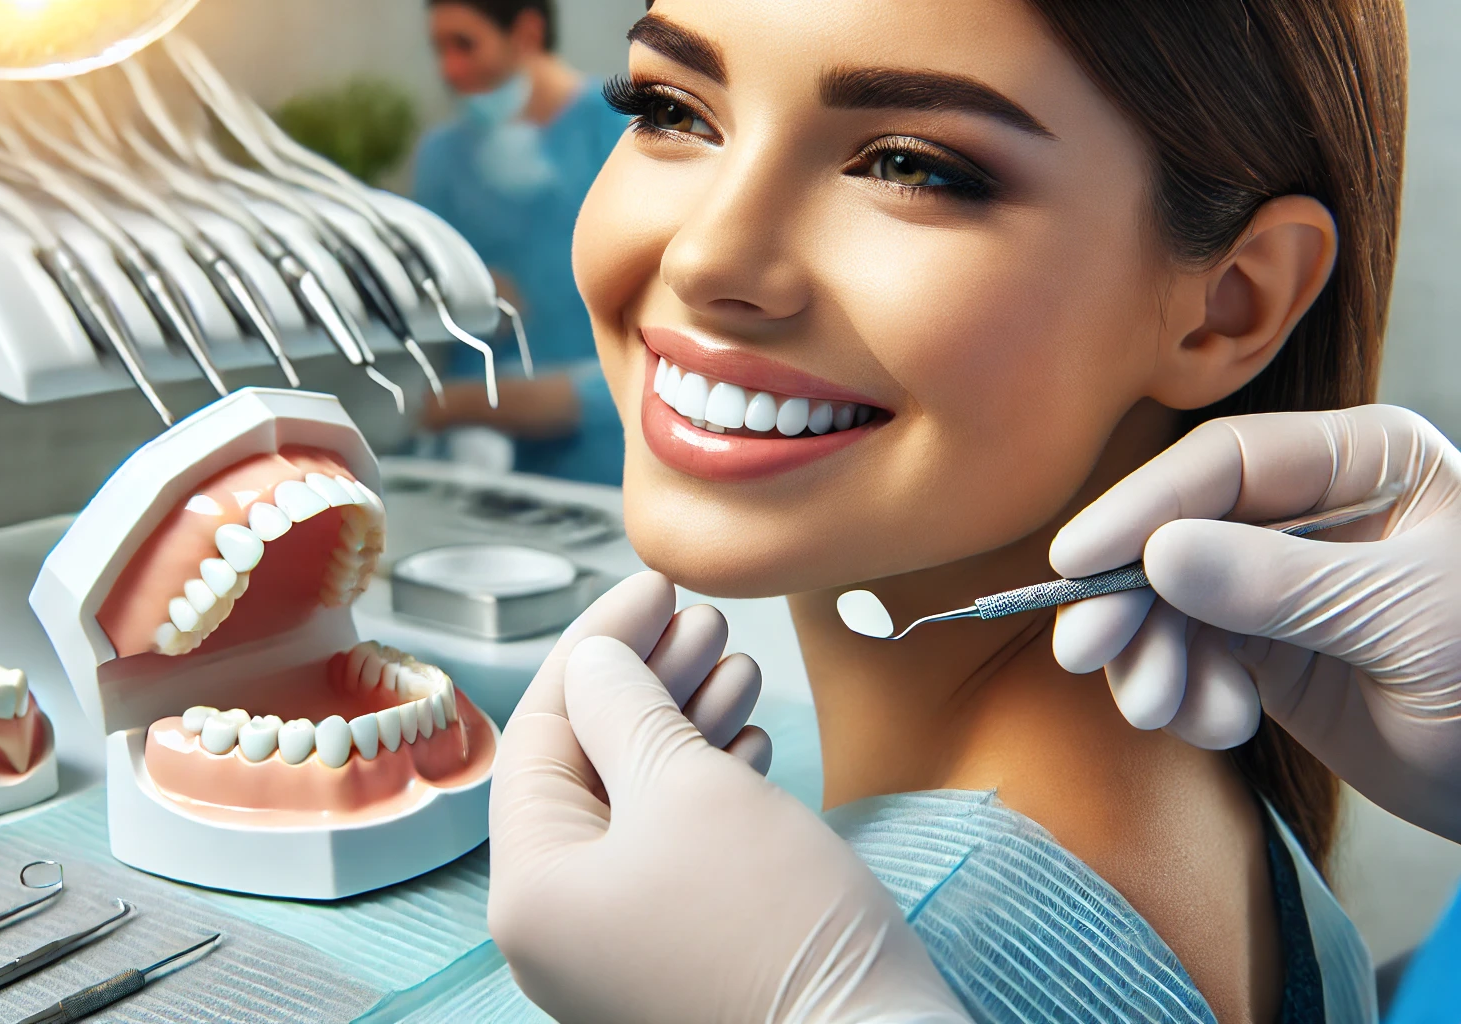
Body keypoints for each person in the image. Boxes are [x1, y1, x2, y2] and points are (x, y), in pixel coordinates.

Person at [486, 0, 1415, 1020]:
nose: (706, 259)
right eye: (670, 108)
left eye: (908, 166)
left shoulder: (931, 942)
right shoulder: (1194, 821)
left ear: (1232, 300)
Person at [412, 0, 629, 485]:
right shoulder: (443, 158)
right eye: (440, 48)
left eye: (465, 44)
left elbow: (646, 358)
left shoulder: (623, 137)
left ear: (527, 32)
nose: (450, 69)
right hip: (478, 471)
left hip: (606, 464)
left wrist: (468, 403)